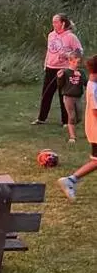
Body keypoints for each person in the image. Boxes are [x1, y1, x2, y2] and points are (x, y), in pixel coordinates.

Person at [58, 55, 97, 201]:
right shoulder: (93, 89)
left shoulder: (93, 84)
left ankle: (71, 180)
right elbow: (95, 111)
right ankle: (71, 180)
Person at [33, 13, 82, 126]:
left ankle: (65, 121)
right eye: (53, 22)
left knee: (63, 95)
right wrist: (46, 64)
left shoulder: (71, 37)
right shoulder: (51, 35)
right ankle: (41, 118)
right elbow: (49, 51)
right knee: (46, 94)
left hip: (64, 69)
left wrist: (68, 54)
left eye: (56, 22)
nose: (53, 24)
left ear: (63, 23)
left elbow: (79, 51)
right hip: (51, 68)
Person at [58, 52, 86, 144]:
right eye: (76, 62)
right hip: (68, 97)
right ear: (70, 61)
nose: (78, 64)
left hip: (78, 97)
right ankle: (72, 136)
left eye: (79, 62)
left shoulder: (81, 72)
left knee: (79, 117)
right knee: (72, 116)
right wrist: (59, 77)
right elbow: (60, 85)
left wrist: (80, 77)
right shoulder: (66, 72)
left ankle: (72, 126)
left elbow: (85, 83)